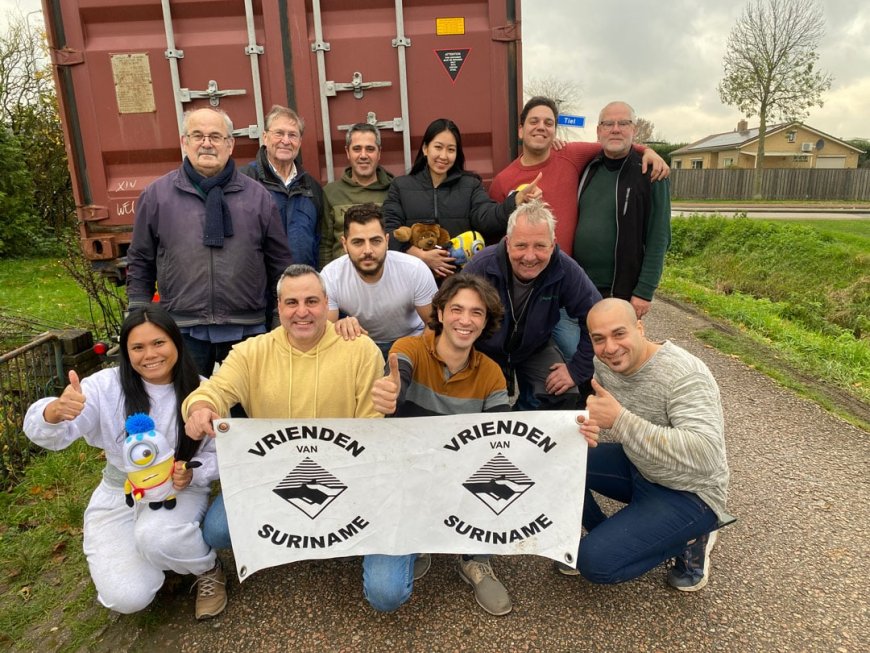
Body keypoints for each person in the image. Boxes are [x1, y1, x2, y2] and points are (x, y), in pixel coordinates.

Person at [22, 306, 226, 620]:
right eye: (138, 347)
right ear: (126, 352)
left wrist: (193, 473)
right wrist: (54, 411)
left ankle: (206, 567)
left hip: (178, 490)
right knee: (127, 597)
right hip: (120, 492)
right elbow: (54, 434)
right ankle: (162, 557)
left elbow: (217, 453)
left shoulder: (200, 390)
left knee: (157, 538)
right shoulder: (105, 387)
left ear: (176, 342)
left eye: (159, 343)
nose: (150, 355)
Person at [181, 264, 383, 550]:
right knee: (217, 532)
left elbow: (372, 425)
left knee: (382, 583)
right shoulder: (251, 351)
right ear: (279, 306)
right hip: (270, 472)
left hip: (341, 472)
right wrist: (200, 407)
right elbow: (216, 389)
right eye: (292, 303)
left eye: (311, 301)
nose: (302, 312)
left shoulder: (360, 349)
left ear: (327, 303)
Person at [366, 274, 513, 616]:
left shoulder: (492, 373)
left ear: (485, 321)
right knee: (385, 595)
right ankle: (419, 541)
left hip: (460, 479)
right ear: (441, 313)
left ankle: (475, 559)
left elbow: (499, 441)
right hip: (404, 481)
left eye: (476, 313)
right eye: (457, 309)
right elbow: (395, 380)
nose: (465, 319)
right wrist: (387, 394)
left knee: (500, 475)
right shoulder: (408, 349)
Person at [570, 298, 733, 591]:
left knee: (595, 565)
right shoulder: (603, 364)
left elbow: (706, 454)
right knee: (563, 460)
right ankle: (606, 533)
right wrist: (591, 423)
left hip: (690, 491)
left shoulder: (685, 374)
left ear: (640, 328)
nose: (610, 347)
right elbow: (605, 412)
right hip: (641, 466)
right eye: (599, 339)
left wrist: (619, 420)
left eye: (619, 334)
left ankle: (692, 538)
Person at [489, 96, 668, 357]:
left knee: (593, 352)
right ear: (520, 129)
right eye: (534, 121)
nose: (541, 127)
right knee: (529, 354)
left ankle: (598, 394)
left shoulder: (572, 155)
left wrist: (647, 151)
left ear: (555, 130)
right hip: (527, 291)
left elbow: (615, 143)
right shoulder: (504, 180)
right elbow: (495, 231)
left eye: (548, 122)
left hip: (570, 284)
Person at [127, 107, 293, 378]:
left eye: (215, 136)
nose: (206, 143)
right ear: (184, 142)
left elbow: (279, 263)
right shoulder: (156, 196)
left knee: (248, 415)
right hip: (181, 328)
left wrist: (278, 315)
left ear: (230, 145)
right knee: (188, 410)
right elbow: (141, 260)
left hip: (248, 330)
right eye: (198, 136)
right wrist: (138, 315)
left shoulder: (258, 197)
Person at [462, 200, 601, 410]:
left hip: (534, 346)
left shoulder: (566, 269)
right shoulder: (480, 267)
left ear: (552, 244)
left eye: (540, 246)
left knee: (559, 394)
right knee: (468, 402)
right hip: (483, 349)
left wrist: (576, 370)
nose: (529, 256)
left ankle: (521, 423)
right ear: (508, 243)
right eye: (521, 245)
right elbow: (448, 319)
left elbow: (598, 319)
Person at [383, 118, 541, 280]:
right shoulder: (400, 186)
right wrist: (419, 255)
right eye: (438, 147)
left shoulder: (470, 185)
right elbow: (389, 230)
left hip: (460, 280)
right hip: (413, 279)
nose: (443, 156)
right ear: (425, 148)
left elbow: (486, 217)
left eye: (451, 150)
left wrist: (515, 201)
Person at [574, 101, 671, 319]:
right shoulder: (589, 167)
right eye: (608, 124)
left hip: (621, 293)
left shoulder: (651, 173)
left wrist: (644, 292)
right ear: (598, 132)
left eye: (623, 123)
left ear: (634, 130)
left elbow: (659, 237)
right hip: (581, 286)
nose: (615, 129)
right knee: (581, 349)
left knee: (617, 350)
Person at [321, 203, 437, 358]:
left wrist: (417, 354)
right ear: (344, 244)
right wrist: (338, 327)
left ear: (387, 241)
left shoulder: (414, 269)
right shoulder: (331, 276)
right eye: (358, 242)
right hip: (359, 343)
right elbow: (325, 334)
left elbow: (435, 324)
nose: (368, 250)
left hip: (412, 340)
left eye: (376, 241)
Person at [241, 105, 325, 269]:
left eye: (292, 135)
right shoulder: (244, 181)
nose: (285, 141)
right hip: (261, 290)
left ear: (299, 142)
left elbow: (320, 243)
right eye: (279, 133)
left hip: (302, 288)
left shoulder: (312, 187)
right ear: (265, 137)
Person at [321, 123, 395, 264]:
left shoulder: (394, 190)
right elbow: (325, 245)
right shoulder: (331, 193)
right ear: (347, 152)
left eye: (370, 149)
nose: (363, 155)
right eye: (356, 149)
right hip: (343, 279)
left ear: (379, 152)